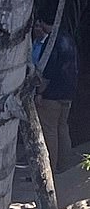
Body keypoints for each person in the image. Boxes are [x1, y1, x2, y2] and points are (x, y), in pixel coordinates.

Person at [35, 19, 79, 173]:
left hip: (52, 94)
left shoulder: (52, 41)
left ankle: (49, 168)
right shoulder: (68, 38)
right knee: (62, 127)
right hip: (68, 92)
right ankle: (65, 164)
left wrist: (40, 92)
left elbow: (49, 70)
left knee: (49, 130)